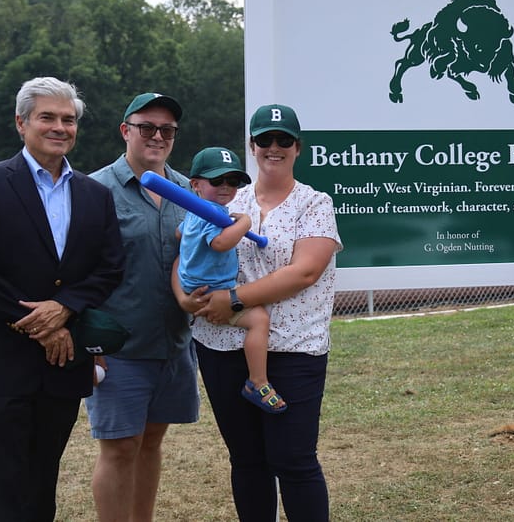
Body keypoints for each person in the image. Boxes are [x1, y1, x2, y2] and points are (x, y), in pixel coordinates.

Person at [0, 76, 124, 521]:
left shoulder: (94, 195)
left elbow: (109, 268)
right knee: (6, 487)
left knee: (43, 482)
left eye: (69, 119)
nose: (60, 127)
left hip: (62, 364)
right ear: (21, 123)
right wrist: (41, 325)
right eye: (47, 117)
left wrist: (64, 310)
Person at [173, 103, 341, 521]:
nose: (274, 147)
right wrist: (182, 297)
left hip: (294, 346)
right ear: (252, 145)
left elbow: (304, 272)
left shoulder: (314, 203)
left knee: (293, 459)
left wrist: (234, 299)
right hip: (220, 343)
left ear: (298, 148)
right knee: (247, 460)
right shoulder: (225, 197)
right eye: (264, 139)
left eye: (284, 140)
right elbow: (184, 253)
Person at [87, 92, 200, 522]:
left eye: (167, 130)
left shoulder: (187, 190)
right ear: (125, 131)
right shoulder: (94, 190)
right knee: (119, 448)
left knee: (152, 441)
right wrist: (89, 345)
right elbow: (79, 272)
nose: (157, 136)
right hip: (118, 347)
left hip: (172, 344)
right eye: (147, 127)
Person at [177, 146, 286, 413]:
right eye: (216, 181)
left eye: (233, 181)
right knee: (259, 319)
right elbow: (221, 243)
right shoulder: (215, 212)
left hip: (193, 286)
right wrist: (245, 223)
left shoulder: (194, 211)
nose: (226, 187)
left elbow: (180, 236)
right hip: (214, 290)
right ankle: (257, 382)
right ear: (196, 184)